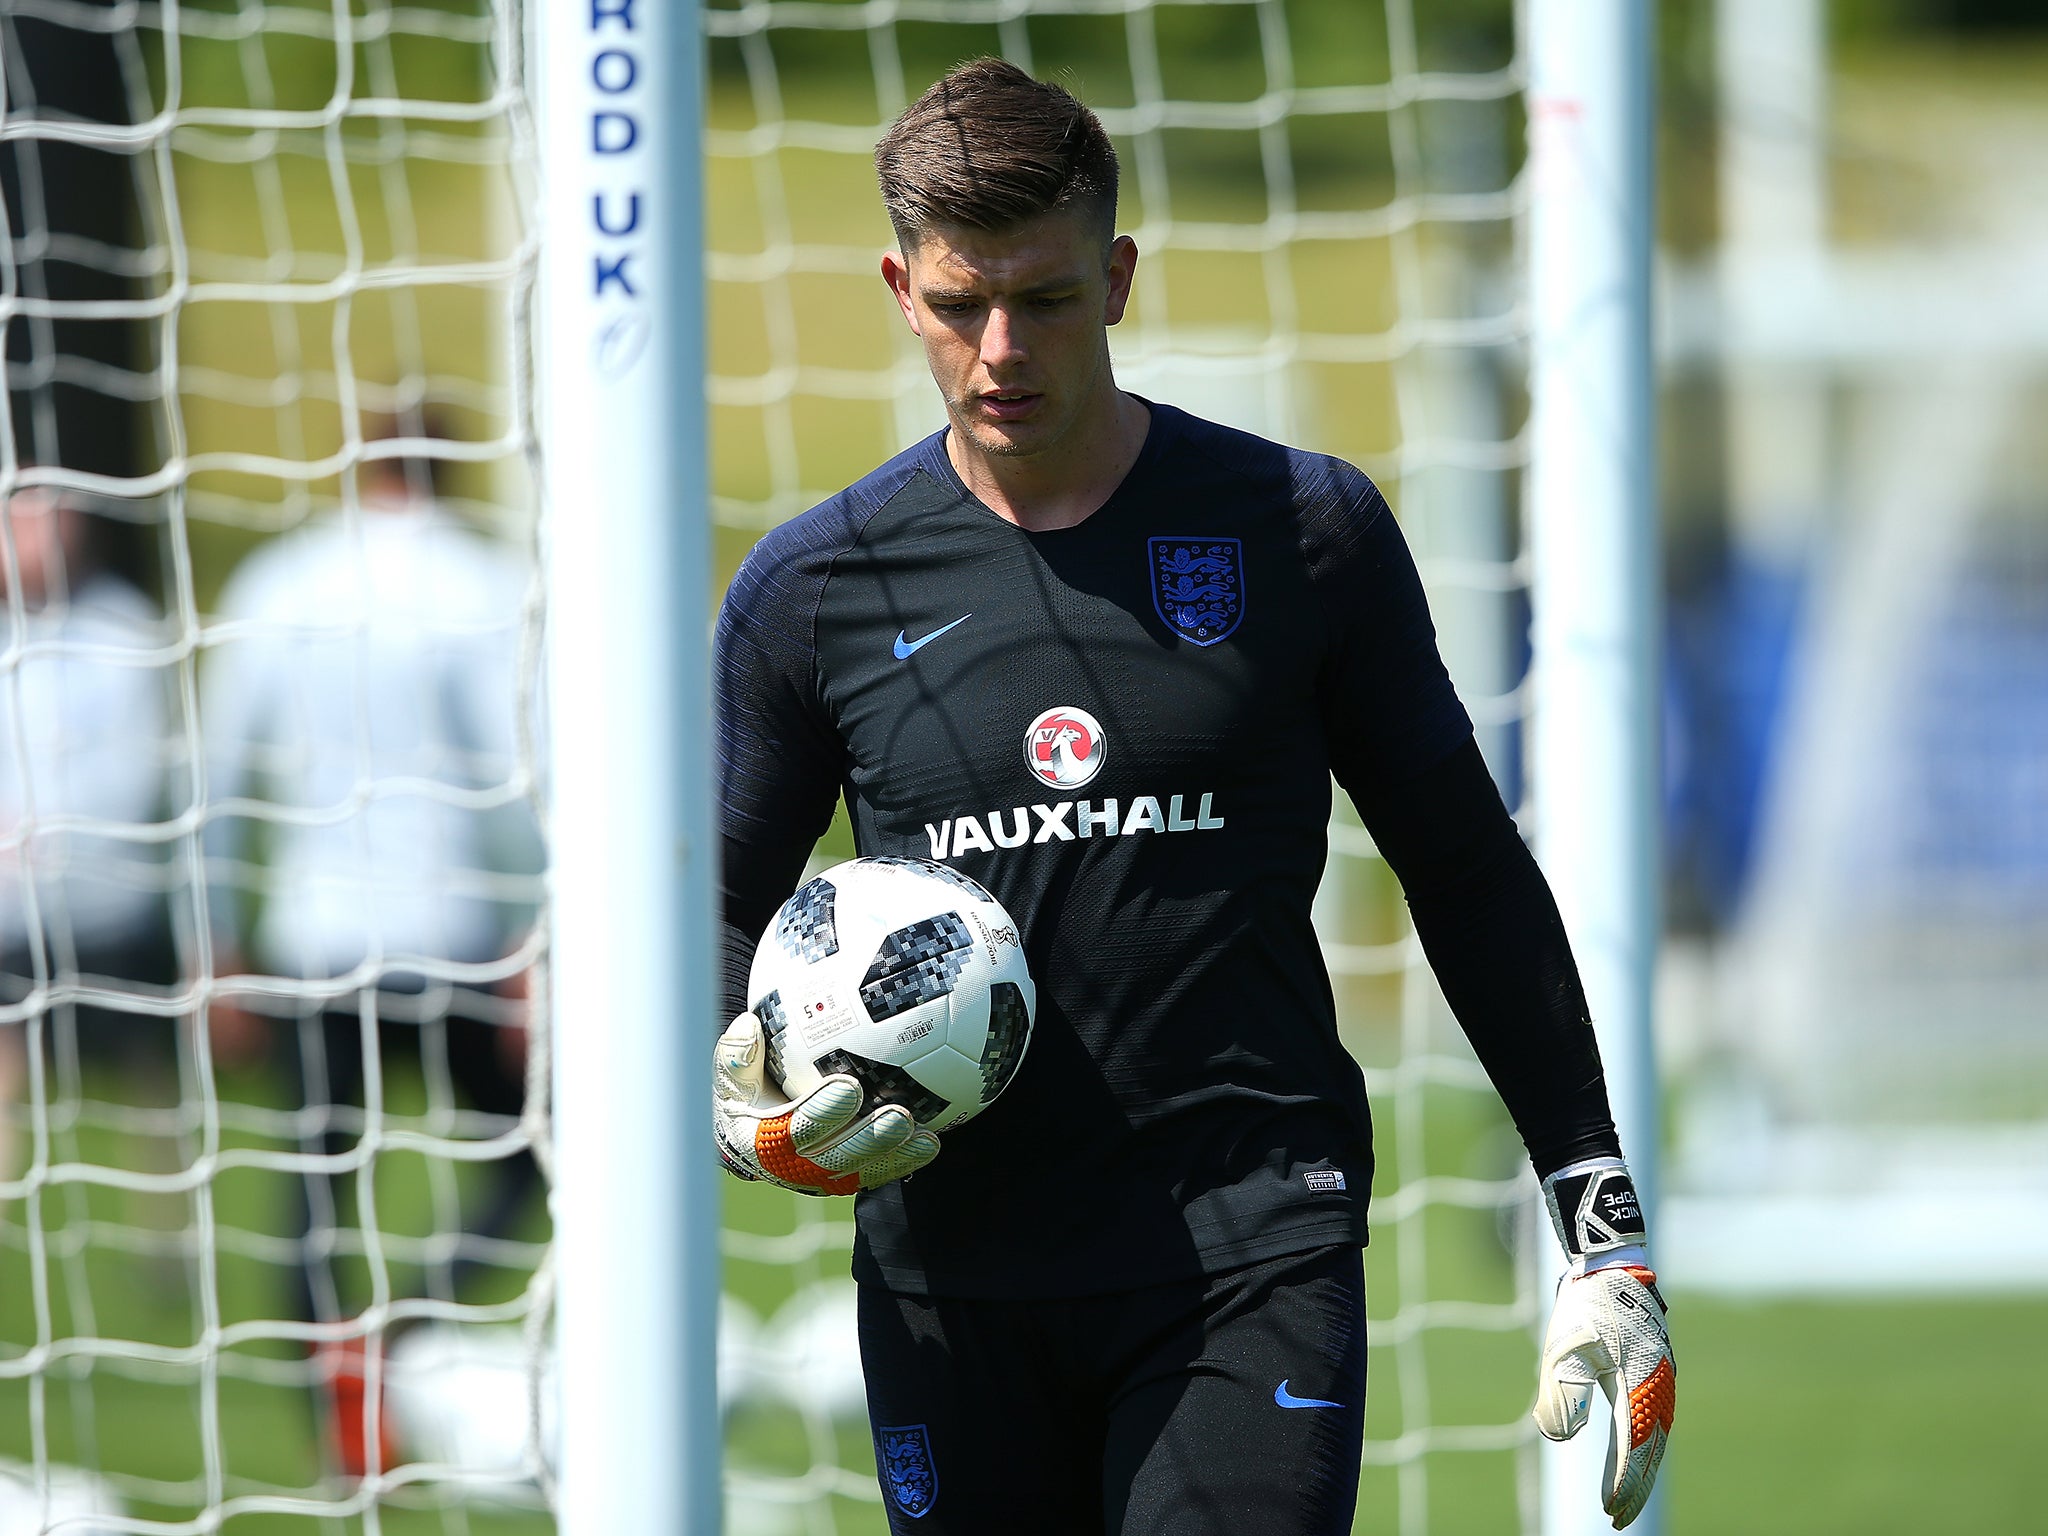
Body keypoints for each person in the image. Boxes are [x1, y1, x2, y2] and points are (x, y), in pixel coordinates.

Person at [712, 59, 1674, 1536]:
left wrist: (1601, 1230)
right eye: (961, 303)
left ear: (1118, 275)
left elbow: (1466, 872)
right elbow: (711, 915)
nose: (999, 347)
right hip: (952, 1279)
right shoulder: (814, 592)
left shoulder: (1304, 531)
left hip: (1251, 1247)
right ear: (901, 288)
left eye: (1042, 297)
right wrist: (743, 1108)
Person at [200, 412, 544, 1474]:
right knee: (530, 1157)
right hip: (454, 936)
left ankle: (341, 1384)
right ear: (446, 470)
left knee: (313, 1183)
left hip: (314, 939)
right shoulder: (483, 583)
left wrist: (209, 937)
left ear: (356, 467)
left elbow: (215, 778)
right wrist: (543, 938)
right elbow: (523, 782)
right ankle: (404, 1331)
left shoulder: (277, 580)